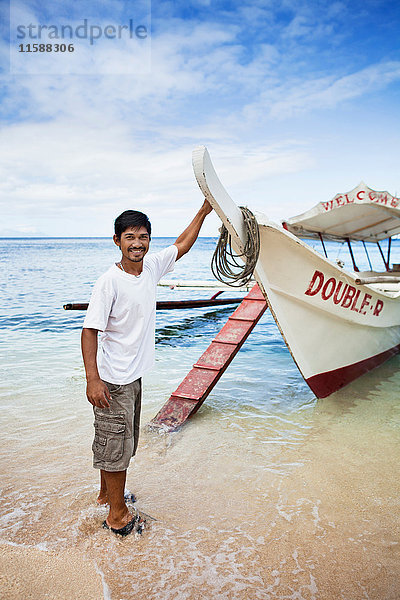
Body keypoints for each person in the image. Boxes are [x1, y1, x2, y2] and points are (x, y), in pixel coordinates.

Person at [81, 199, 212, 536]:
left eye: (143, 236)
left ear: (149, 240)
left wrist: (202, 211)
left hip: (133, 376)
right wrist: (93, 379)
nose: (137, 243)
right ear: (117, 241)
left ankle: (105, 496)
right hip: (112, 380)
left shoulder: (151, 268)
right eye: (129, 237)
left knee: (118, 443)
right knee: (117, 447)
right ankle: (117, 515)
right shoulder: (108, 281)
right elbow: (89, 331)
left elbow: (182, 245)